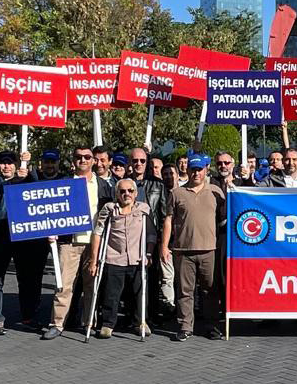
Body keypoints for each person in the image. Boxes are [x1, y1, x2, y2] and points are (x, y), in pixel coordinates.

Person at [42, 146, 113, 340]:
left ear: (93, 161)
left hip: (94, 243)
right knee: (63, 285)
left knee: (92, 285)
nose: (83, 160)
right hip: (69, 242)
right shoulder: (62, 182)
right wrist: (50, 230)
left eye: (87, 157)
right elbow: (49, 209)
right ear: (73, 160)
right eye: (79, 156)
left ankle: (89, 322)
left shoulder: (103, 185)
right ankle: (57, 323)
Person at [158, 153, 226, 341]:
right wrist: (164, 246)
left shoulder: (216, 191)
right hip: (183, 250)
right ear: (187, 170)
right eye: (192, 169)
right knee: (184, 291)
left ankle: (212, 325)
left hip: (209, 249)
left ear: (206, 170)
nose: (196, 173)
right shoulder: (177, 193)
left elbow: (224, 219)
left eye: (199, 169)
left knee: (210, 290)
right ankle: (185, 326)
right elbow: (169, 220)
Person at [0, 150, 45, 334]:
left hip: (22, 235)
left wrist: (29, 167)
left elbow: (38, 188)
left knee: (27, 278)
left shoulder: (25, 176)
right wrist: (15, 179)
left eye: (10, 162)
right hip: (0, 236)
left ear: (16, 164)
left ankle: (29, 316)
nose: (6, 166)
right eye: (3, 163)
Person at [87, 179, 152, 339]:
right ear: (116, 194)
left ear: (136, 193)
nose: (126, 194)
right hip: (114, 257)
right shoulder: (109, 209)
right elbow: (98, 233)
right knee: (112, 294)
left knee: (139, 293)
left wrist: (148, 254)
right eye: (122, 191)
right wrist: (93, 260)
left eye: (130, 191)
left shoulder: (143, 209)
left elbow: (151, 234)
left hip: (137, 258)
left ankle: (140, 322)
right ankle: (108, 324)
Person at [128, 146, 171, 318]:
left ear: (147, 162)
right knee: (130, 278)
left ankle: (152, 314)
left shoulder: (157, 184)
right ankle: (132, 315)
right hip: (129, 238)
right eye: (135, 160)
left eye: (142, 161)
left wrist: (161, 241)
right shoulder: (124, 183)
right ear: (130, 162)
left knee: (152, 279)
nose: (138, 164)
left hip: (150, 238)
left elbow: (163, 214)